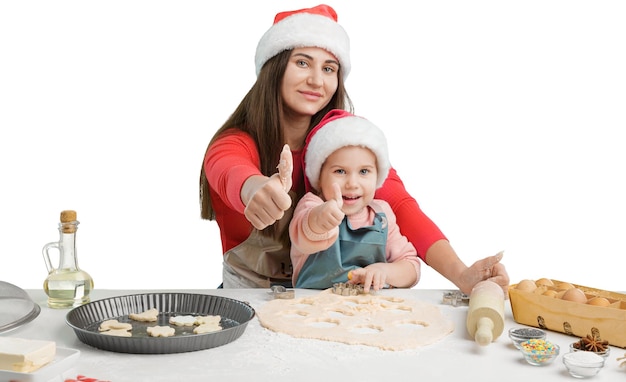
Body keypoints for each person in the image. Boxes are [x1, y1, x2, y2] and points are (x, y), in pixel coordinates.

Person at [199, 4, 509, 294]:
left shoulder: (343, 142)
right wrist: (253, 188)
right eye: (302, 62)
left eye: (329, 68)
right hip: (249, 296)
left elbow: (401, 207)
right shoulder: (235, 142)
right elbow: (228, 168)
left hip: (326, 299)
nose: (316, 80)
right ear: (274, 66)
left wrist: (462, 275)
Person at [290, 109, 420, 292]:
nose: (352, 184)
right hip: (313, 313)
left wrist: (384, 271)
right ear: (319, 177)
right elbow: (304, 234)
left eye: (364, 172)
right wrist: (322, 219)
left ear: (378, 176)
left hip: (369, 314)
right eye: (340, 171)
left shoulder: (382, 215)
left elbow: (411, 268)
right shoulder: (312, 205)